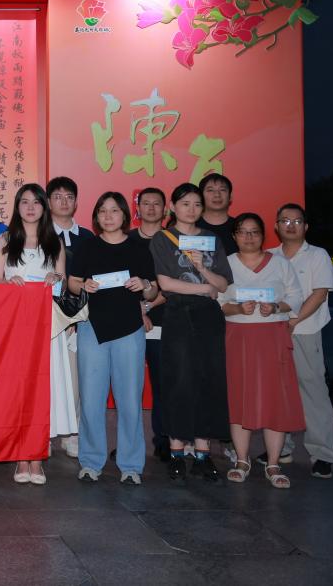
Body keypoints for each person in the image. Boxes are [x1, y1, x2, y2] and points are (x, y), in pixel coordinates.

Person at [68, 192, 158, 485]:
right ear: (96, 216)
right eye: (103, 211)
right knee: (91, 399)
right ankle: (90, 462)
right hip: (92, 328)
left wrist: (143, 284)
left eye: (114, 210)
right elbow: (72, 282)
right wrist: (84, 285)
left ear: (125, 216)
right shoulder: (87, 246)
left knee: (129, 399)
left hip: (129, 330)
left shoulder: (138, 248)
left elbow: (153, 291)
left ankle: (131, 465)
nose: (108, 216)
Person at [150, 182, 233, 482]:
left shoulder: (211, 239)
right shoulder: (163, 239)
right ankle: (176, 454)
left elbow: (222, 285)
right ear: (173, 207)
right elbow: (166, 284)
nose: (192, 209)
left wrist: (203, 270)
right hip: (178, 315)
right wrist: (203, 288)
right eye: (185, 204)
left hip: (209, 318)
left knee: (208, 381)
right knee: (179, 381)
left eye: (197, 204)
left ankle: (202, 454)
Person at [219, 212, 305, 489]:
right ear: (235, 236)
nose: (249, 237)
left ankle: (273, 463)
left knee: (274, 398)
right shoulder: (226, 264)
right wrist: (236, 308)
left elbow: (296, 296)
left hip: (272, 337)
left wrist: (277, 307)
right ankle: (241, 460)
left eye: (254, 232)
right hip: (238, 337)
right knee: (239, 396)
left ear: (263, 235)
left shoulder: (280, 264)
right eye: (243, 232)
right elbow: (217, 300)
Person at [0, 183, 66, 486]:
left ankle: (38, 456)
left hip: (47, 327)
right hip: (15, 328)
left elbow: (63, 285)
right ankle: (22, 455)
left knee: (44, 389)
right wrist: (9, 285)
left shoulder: (54, 242)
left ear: (44, 207)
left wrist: (55, 278)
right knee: (20, 389)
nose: (30, 207)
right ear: (16, 206)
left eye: (36, 202)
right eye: (24, 202)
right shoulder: (5, 239)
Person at [270, 203, 333, 479]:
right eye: (285, 221)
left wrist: (294, 321)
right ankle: (282, 449)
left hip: (305, 331)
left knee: (313, 393)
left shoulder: (317, 255)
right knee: (278, 392)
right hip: (274, 332)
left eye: (297, 221)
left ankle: (322, 454)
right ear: (276, 226)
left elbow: (319, 294)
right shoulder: (270, 256)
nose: (291, 225)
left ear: (306, 226)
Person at [46, 175, 92, 459]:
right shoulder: (38, 235)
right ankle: (45, 431)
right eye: (57, 196)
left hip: (79, 318)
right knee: (46, 377)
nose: (64, 202)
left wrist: (77, 317)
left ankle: (72, 433)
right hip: (46, 318)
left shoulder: (88, 237)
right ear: (48, 202)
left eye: (69, 197)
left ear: (76, 202)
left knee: (76, 379)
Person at [135, 187, 170, 462]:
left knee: (163, 384)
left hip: (164, 321)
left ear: (165, 210)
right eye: (145, 203)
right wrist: (138, 311)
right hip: (129, 323)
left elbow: (177, 281)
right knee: (129, 387)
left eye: (156, 203)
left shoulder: (173, 241)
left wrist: (149, 306)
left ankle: (164, 440)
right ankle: (130, 442)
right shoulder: (126, 239)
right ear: (137, 209)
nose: (150, 208)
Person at [199, 173, 239, 256]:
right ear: (200, 197)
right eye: (210, 190)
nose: (217, 195)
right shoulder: (191, 226)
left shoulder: (240, 228)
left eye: (222, 190)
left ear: (230, 196)